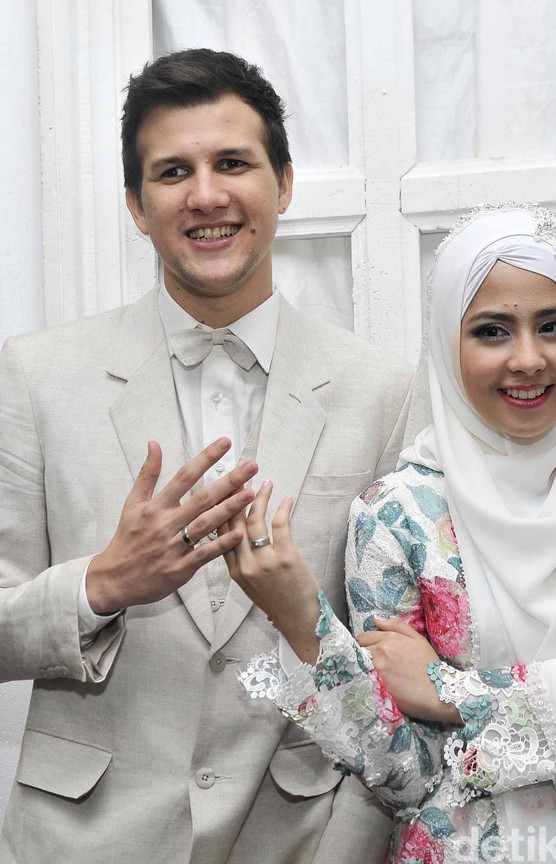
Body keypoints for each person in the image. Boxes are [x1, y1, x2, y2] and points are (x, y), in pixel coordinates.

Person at [0, 49, 413, 863]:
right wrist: (100, 585)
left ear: (283, 183)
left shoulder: (383, 389)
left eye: (232, 162)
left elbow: (396, 665)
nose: (206, 195)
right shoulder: (36, 374)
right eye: (172, 171)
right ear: (135, 204)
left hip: (298, 840)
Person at [225, 203, 556, 863]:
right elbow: (409, 775)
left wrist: (451, 693)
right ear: (448, 346)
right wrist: (305, 622)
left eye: (554, 325)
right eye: (491, 331)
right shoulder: (400, 514)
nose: (528, 358)